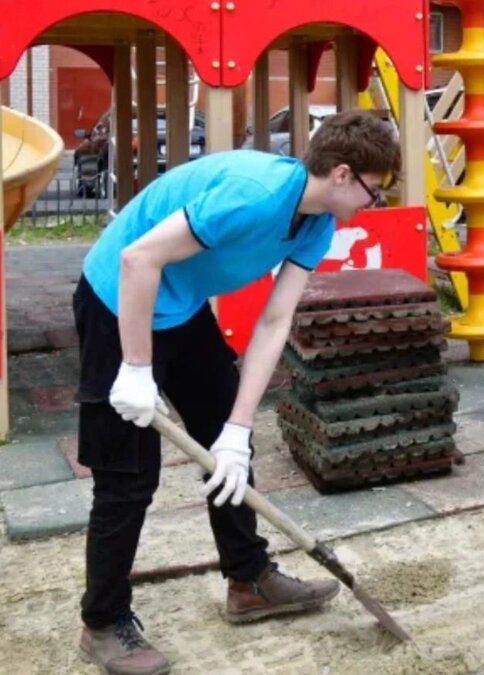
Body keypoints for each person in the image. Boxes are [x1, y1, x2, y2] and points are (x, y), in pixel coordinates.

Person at [74, 111, 401, 675]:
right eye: (377, 191)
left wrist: (239, 429)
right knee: (128, 477)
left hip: (180, 308)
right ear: (344, 174)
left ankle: (248, 579)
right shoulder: (255, 196)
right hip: (117, 301)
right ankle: (102, 623)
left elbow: (275, 323)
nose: (378, 203)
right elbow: (138, 259)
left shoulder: (316, 221)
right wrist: (134, 367)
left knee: (227, 443)